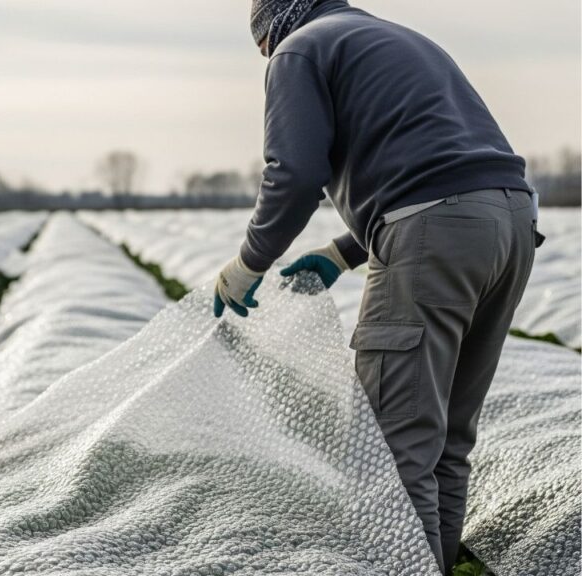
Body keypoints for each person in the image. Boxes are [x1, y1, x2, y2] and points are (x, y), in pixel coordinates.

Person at [213, 1, 542, 574]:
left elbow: (293, 173)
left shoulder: (300, 47)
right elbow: (438, 163)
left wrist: (248, 262)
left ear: (273, 27)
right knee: (445, 441)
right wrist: (341, 252)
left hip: (437, 231)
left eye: (262, 48)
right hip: (510, 226)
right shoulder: (393, 37)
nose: (266, 58)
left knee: (391, 447)